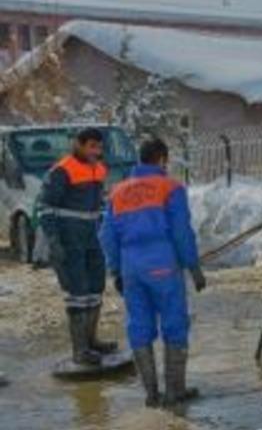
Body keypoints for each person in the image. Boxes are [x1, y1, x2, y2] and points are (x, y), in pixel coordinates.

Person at [99, 138, 206, 408]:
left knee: (139, 325)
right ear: (161, 159)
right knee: (174, 323)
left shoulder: (118, 192)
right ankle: (174, 392)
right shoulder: (170, 188)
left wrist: (116, 270)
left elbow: (107, 236)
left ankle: (151, 394)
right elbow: (181, 232)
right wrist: (193, 266)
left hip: (131, 267)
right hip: (163, 265)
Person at [40, 128, 116, 366]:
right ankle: (79, 350)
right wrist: (53, 240)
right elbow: (45, 208)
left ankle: (92, 341)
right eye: (92, 146)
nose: (96, 151)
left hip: (92, 237)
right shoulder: (62, 170)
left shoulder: (99, 169)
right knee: (78, 292)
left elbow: (101, 204)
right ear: (79, 145)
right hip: (69, 237)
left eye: (99, 147)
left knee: (96, 287)